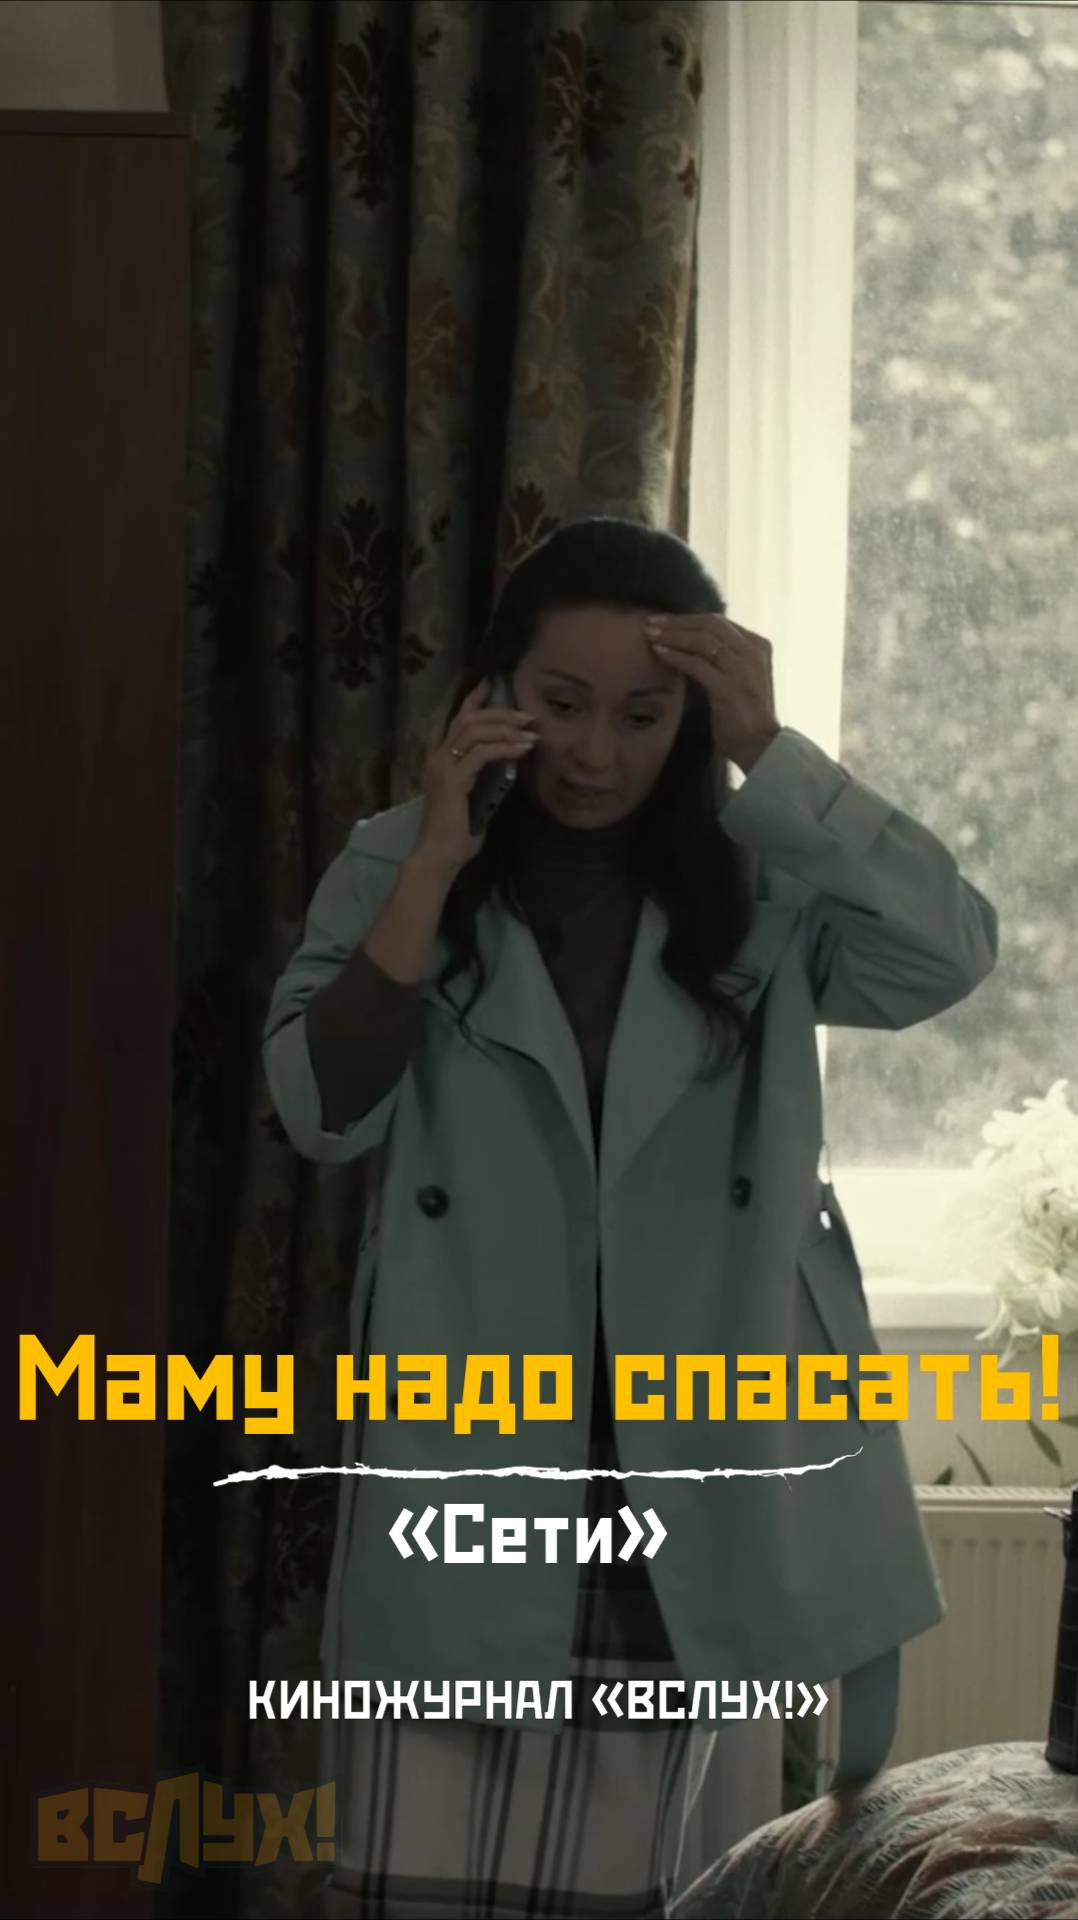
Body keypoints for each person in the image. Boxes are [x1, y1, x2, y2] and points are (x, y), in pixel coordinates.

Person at [262, 516, 999, 1918]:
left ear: (691, 720)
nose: (594, 752)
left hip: (687, 1465)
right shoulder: (397, 863)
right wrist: (430, 867)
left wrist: (772, 752)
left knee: (642, 1890)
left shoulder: (761, 873)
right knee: (410, 1880)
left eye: (643, 715)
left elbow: (949, 953)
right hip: (480, 1453)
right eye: (561, 703)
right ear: (495, 696)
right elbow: (319, 1106)